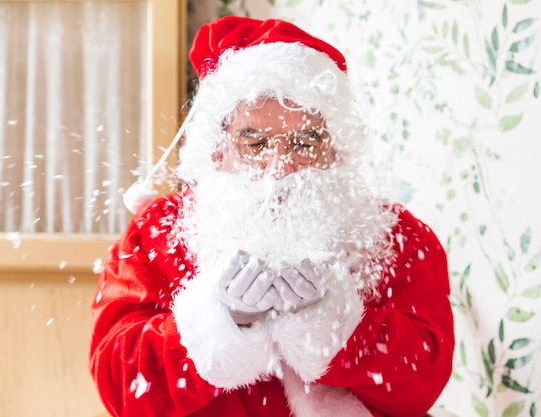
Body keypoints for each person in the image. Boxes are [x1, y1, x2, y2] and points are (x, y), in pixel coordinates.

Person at [89, 16, 454, 417]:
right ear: (217, 149)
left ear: (337, 150)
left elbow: (422, 384)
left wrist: (337, 328)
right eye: (255, 142)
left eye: (306, 141)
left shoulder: (395, 237)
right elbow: (119, 385)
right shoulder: (159, 232)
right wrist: (217, 325)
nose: (280, 167)